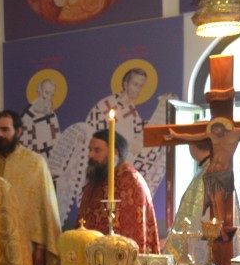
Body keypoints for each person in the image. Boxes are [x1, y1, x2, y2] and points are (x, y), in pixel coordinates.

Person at [49, 67, 168, 225]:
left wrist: (160, 112)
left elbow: (138, 135)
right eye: (135, 84)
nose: (137, 90)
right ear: (125, 83)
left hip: (120, 168)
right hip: (101, 172)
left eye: (141, 86)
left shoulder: (132, 111)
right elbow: (93, 138)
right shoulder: (105, 106)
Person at [0, 110, 62, 265]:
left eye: (5, 129)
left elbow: (45, 207)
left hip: (27, 244)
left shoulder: (35, 163)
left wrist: (41, 247)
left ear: (18, 131)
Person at [77, 129, 160, 254]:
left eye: (97, 150)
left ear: (114, 153)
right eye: (90, 150)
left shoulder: (130, 180)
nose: (91, 155)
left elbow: (131, 231)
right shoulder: (97, 178)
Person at [164, 138, 213, 265]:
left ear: (192, 145)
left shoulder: (206, 174)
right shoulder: (208, 171)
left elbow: (197, 217)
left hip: (203, 249)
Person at [20, 77, 60, 158]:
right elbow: (24, 142)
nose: (48, 97)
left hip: (52, 159)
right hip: (35, 159)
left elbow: (57, 138)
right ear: (39, 90)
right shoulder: (28, 114)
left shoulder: (51, 113)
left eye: (51, 94)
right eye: (46, 92)